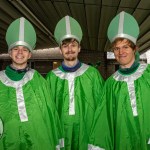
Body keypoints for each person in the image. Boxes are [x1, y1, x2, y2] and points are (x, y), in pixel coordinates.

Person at [88, 11, 150, 150]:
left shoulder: (148, 73)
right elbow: (104, 120)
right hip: (122, 142)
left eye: (125, 47)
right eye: (117, 48)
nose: (121, 52)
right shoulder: (110, 84)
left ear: (135, 49)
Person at [0, 17, 64, 150]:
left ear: (29, 55)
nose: (20, 53)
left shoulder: (37, 79)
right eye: (16, 49)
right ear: (10, 53)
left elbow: (49, 112)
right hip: (8, 142)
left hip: (38, 140)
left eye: (24, 49)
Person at [46, 15, 104, 150]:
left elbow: (102, 108)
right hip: (61, 134)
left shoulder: (93, 75)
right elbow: (47, 113)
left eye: (73, 45)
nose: (69, 49)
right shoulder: (51, 78)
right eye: (65, 46)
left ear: (79, 48)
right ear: (60, 49)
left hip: (87, 133)